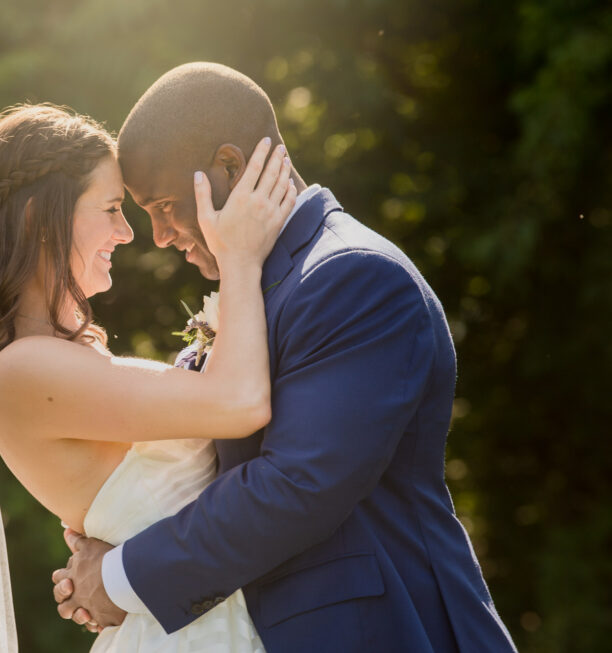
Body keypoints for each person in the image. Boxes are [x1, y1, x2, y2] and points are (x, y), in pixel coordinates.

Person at [52, 63, 518, 652]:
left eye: (165, 204)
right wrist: (117, 534)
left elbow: (297, 485)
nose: (161, 236)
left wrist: (120, 576)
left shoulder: (351, 277)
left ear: (230, 167)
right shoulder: (257, 289)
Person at [0, 103, 297, 651]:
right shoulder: (21, 370)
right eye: (110, 208)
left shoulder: (50, 360)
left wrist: (114, 567)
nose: (127, 233)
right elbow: (240, 403)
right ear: (39, 220)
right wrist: (240, 258)